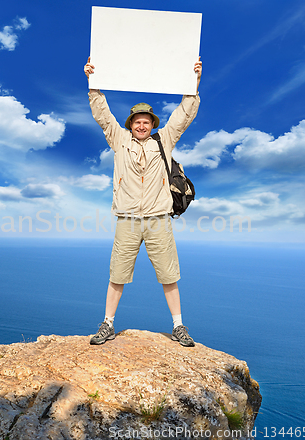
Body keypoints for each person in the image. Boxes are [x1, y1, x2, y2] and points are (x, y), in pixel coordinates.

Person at [85, 56, 202, 347]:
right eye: (137, 122)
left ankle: (178, 326)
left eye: (145, 121)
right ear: (131, 124)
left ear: (152, 124)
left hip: (158, 219)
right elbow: (102, 114)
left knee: (168, 275)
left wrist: (194, 82)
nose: (141, 125)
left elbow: (183, 115)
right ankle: (108, 324)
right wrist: (93, 83)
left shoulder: (165, 141)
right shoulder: (118, 139)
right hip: (127, 219)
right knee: (117, 275)